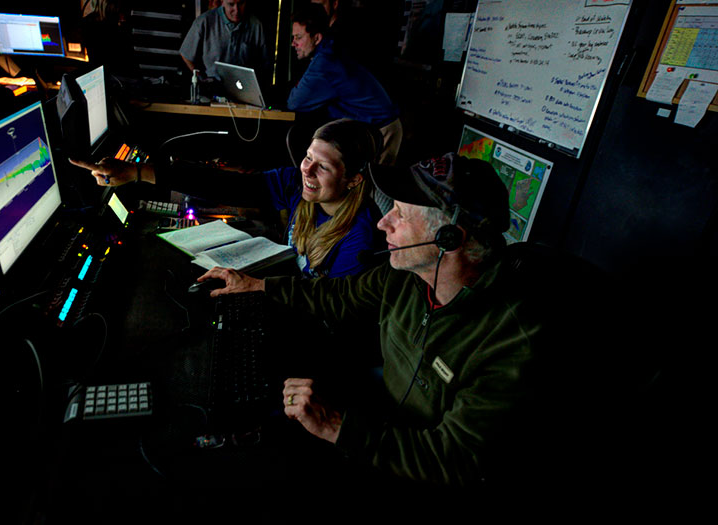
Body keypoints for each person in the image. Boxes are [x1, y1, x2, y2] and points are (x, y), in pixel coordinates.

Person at [196, 152, 563, 490]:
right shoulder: (407, 275)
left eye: (401, 214)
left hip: (423, 470)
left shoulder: (513, 342)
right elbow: (338, 296)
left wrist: (336, 428)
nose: (384, 222)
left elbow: (454, 458)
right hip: (384, 418)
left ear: (449, 239)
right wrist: (258, 286)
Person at [69, 118, 385, 279]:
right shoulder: (297, 185)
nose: (307, 169)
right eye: (307, 157)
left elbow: (328, 309)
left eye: (324, 166)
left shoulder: (360, 237)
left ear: (354, 180)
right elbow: (229, 186)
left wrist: (257, 288)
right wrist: (137, 172)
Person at [288, 4, 402, 169]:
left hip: (383, 130)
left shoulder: (325, 62)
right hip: (374, 127)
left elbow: (295, 102)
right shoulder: (327, 51)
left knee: (369, 188)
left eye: (298, 37)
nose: (293, 43)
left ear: (317, 38)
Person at [179, 0, 270, 84]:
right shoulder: (204, 21)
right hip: (211, 85)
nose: (236, 10)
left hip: (242, 88)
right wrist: (200, 77)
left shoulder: (256, 25)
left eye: (240, 3)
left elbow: (264, 63)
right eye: (231, 4)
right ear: (222, 2)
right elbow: (186, 54)